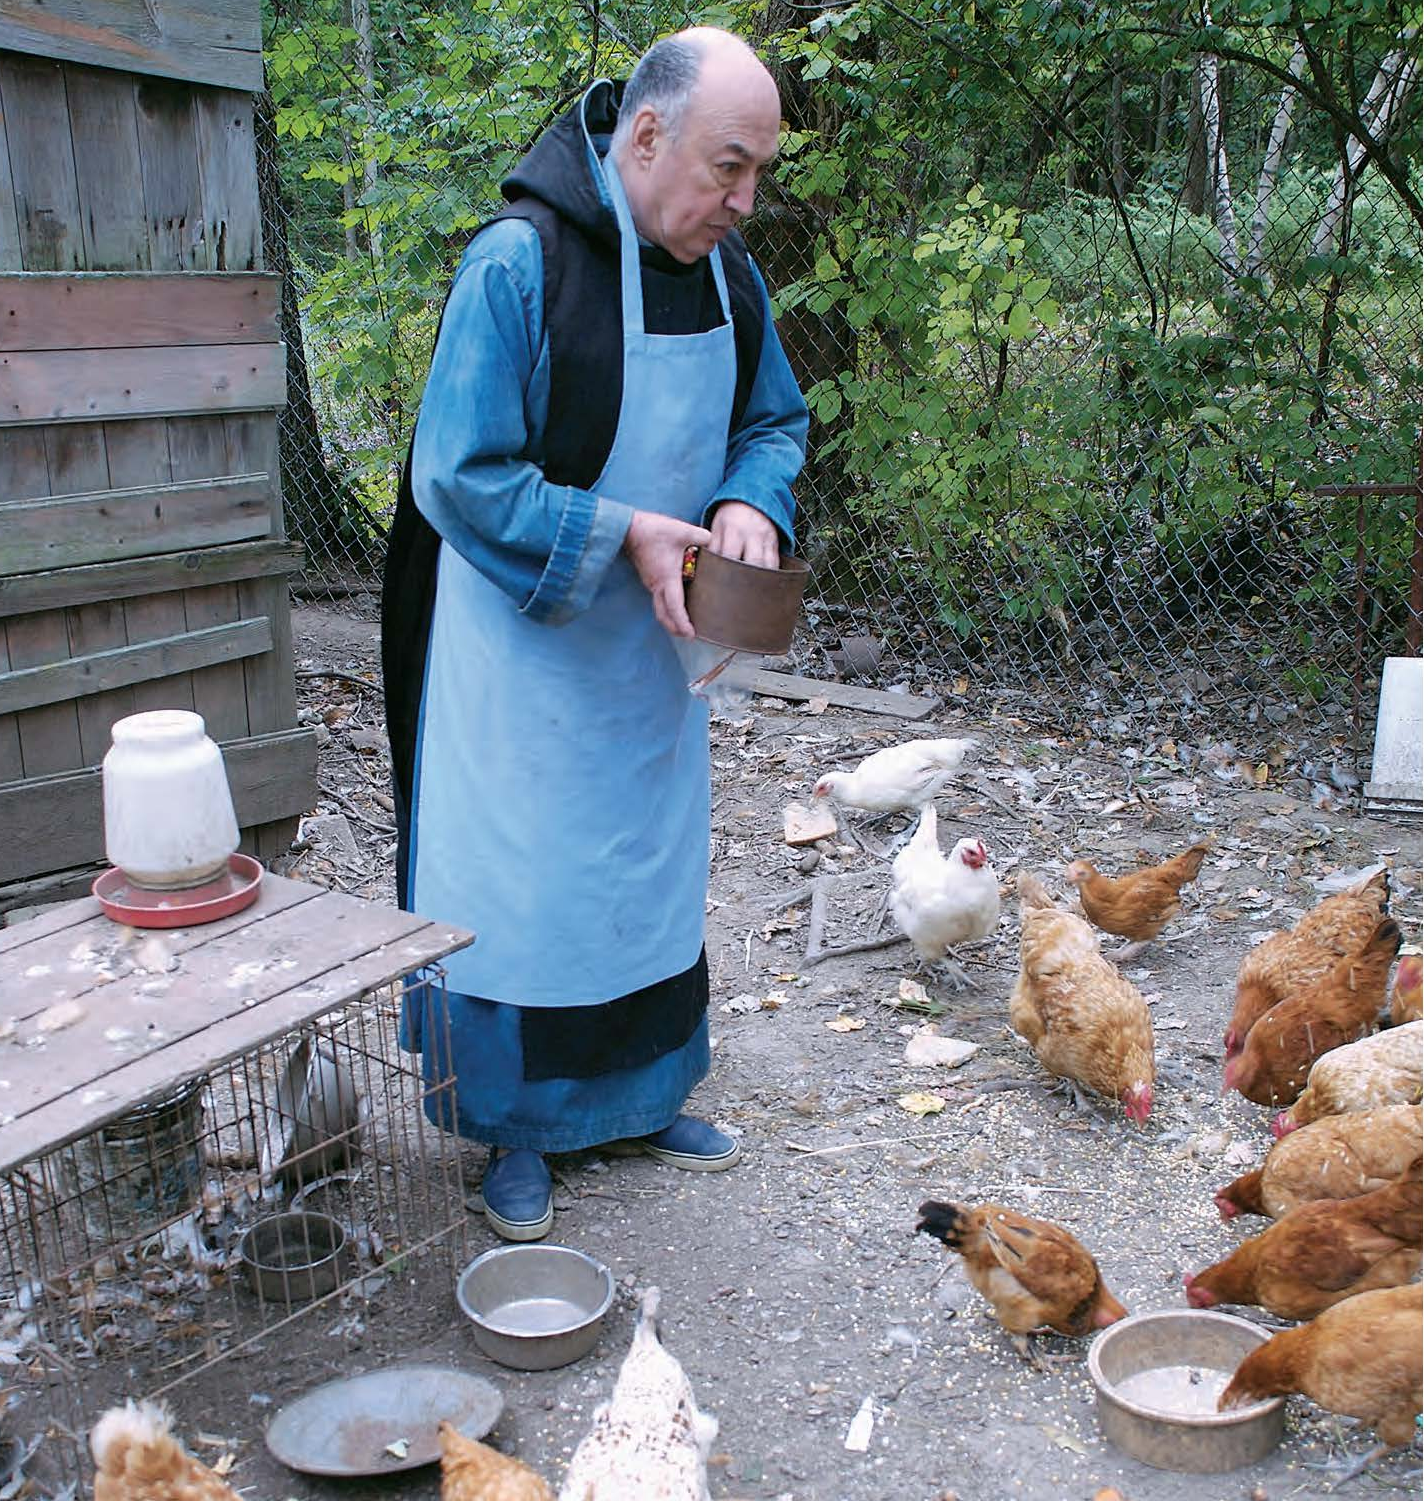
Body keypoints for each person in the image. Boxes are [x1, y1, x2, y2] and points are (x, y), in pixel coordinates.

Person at [381, 27, 807, 1241]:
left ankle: (641, 1095)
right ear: (645, 134)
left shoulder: (731, 280)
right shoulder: (518, 267)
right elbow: (455, 476)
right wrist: (618, 531)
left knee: (640, 881)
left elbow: (772, 420)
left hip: (649, 656)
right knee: (526, 892)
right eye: (728, 168)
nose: (743, 200)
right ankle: (516, 1129)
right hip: (522, 652)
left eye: (759, 174)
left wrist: (745, 499)